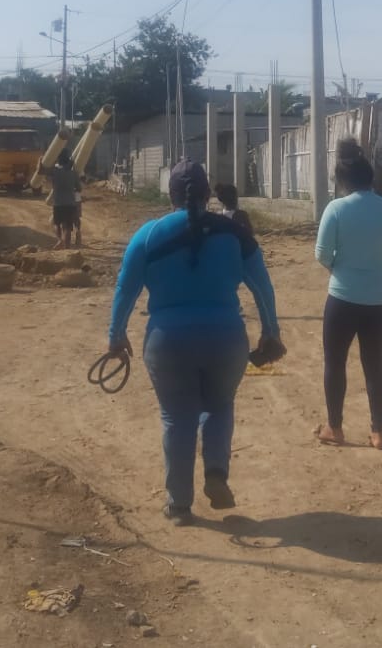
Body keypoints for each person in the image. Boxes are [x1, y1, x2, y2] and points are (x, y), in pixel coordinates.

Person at [108, 160, 284, 526]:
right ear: (208, 195)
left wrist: (116, 334)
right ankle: (216, 471)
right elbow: (262, 286)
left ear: (169, 195)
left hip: (167, 341)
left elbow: (125, 289)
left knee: (176, 417)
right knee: (219, 405)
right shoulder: (234, 233)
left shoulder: (148, 235)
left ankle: (179, 505)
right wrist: (270, 331)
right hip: (225, 337)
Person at [314, 139, 382, 450]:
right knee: (375, 363)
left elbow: (321, 253)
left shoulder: (336, 209)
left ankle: (335, 427)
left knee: (335, 362)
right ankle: (379, 433)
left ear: (343, 181)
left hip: (343, 297)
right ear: (371, 178)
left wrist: (341, 270)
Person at [42, 154, 80, 249]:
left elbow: (41, 171)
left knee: (57, 224)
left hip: (58, 203)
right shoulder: (73, 173)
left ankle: (59, 239)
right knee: (67, 227)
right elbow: (79, 188)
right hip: (70, 203)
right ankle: (67, 247)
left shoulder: (55, 172)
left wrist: (40, 161)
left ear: (59, 161)